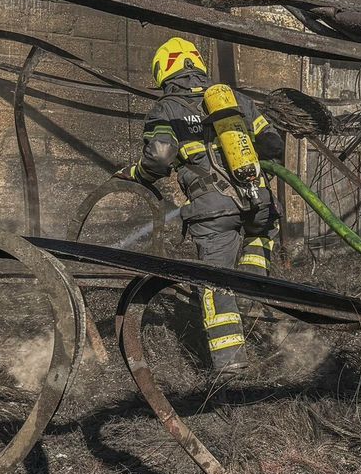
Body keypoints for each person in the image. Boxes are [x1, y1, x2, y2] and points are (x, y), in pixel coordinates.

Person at [117, 37, 285, 373]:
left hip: (214, 210)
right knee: (260, 235)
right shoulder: (235, 98)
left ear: (162, 71)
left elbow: (160, 157)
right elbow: (272, 144)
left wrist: (136, 174)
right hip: (260, 200)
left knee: (216, 283)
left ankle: (231, 367)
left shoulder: (167, 108)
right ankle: (253, 300)